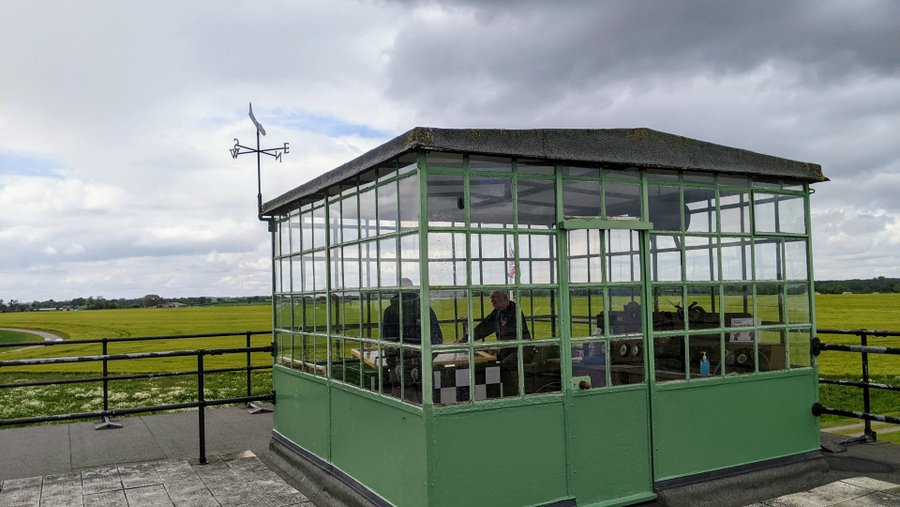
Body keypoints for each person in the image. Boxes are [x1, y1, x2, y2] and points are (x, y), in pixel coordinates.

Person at [381, 278, 442, 402]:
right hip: (422, 366)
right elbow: (437, 340)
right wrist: (424, 359)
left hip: (398, 368)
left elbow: (387, 343)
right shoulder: (425, 310)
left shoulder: (390, 312)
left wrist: (393, 363)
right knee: (426, 401)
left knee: (400, 405)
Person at [457, 290, 534, 365]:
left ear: (504, 297)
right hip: (506, 350)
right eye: (491, 298)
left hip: (520, 351)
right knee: (485, 360)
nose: (492, 301)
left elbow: (512, 335)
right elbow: (484, 327)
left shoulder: (514, 311)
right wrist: (465, 339)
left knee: (504, 365)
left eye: (494, 297)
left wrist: (499, 348)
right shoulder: (497, 312)